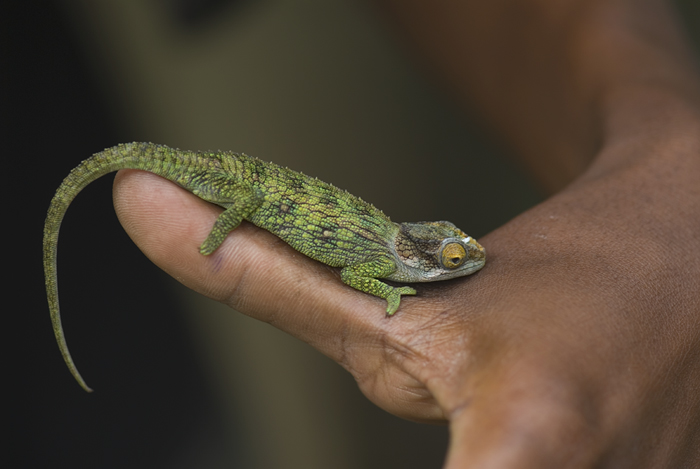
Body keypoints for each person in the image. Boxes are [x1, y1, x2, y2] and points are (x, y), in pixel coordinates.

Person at [112, 1, 700, 466]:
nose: (463, 260)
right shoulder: (386, 259)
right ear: (422, 256)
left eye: (456, 250)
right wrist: (391, 293)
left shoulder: (399, 243)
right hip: (249, 189)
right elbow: (351, 272)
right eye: (448, 256)